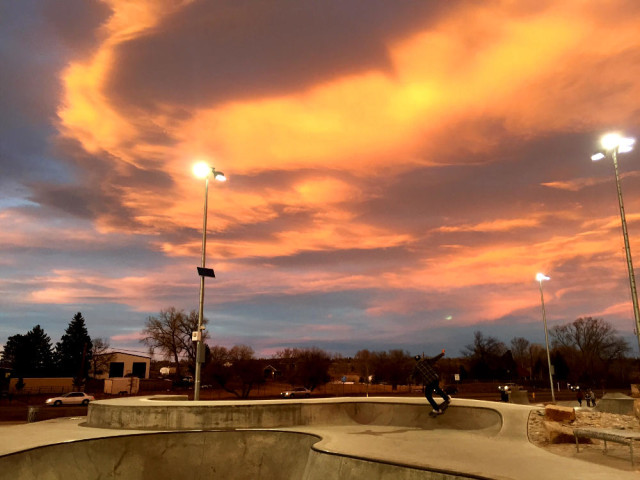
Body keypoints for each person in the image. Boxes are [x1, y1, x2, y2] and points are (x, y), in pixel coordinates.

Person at [413, 349, 450, 414]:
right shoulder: (426, 361)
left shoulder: (416, 367)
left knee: (428, 395)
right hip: (435, 378)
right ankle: (446, 398)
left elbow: (413, 375)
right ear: (420, 358)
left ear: (416, 361)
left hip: (429, 382)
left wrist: (411, 377)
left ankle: (437, 409)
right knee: (437, 389)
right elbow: (435, 359)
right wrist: (442, 354)